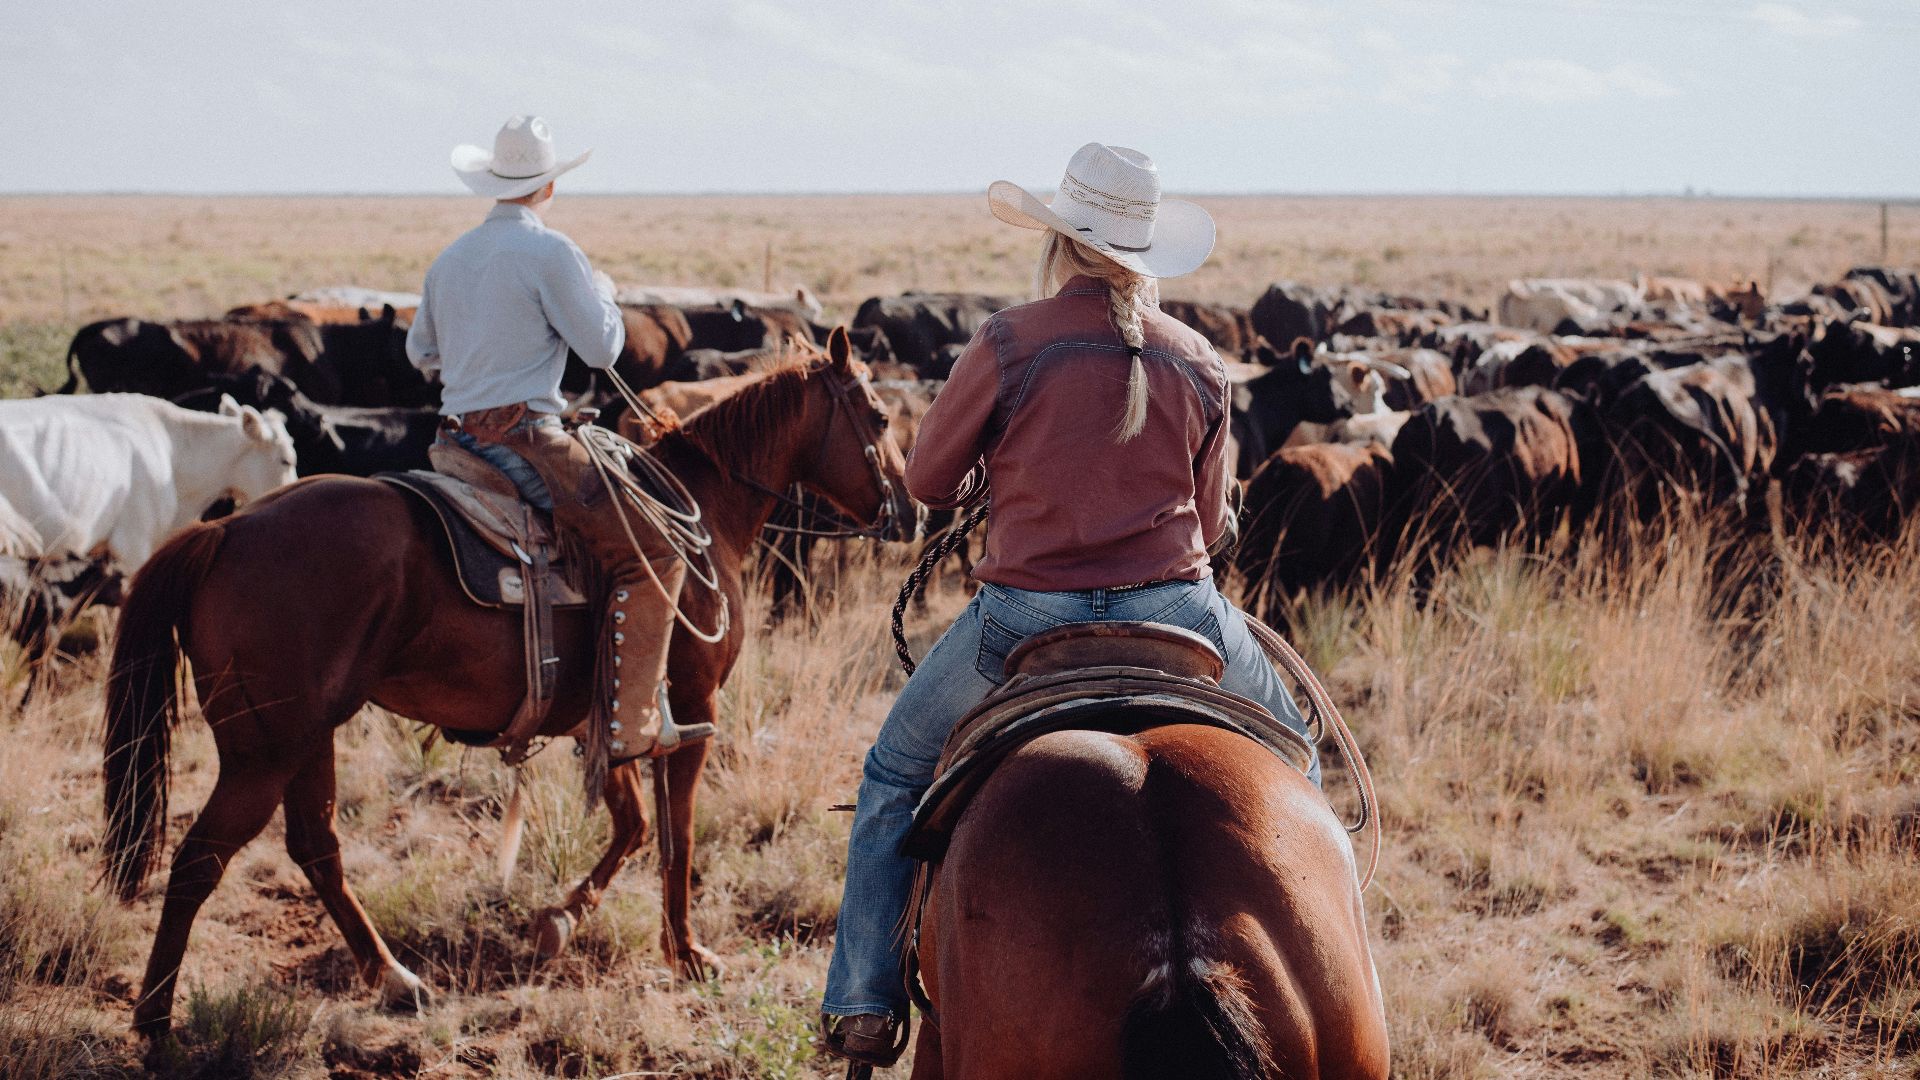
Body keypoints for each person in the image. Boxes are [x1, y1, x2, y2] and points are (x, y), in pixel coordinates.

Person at [818, 142, 1317, 1067]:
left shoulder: (1010, 341)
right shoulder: (1199, 357)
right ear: (1145, 252)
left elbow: (927, 481)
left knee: (893, 775)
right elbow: (1210, 523)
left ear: (1062, 240)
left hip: (1025, 623)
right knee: (1303, 761)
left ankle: (862, 1001)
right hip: (1183, 612)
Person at [406, 115, 698, 761]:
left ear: (491, 182)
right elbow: (602, 349)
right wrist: (601, 297)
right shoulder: (554, 253)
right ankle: (629, 726)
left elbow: (420, 352)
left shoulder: (451, 258)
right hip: (528, 441)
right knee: (654, 551)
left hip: (453, 444)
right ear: (549, 187)